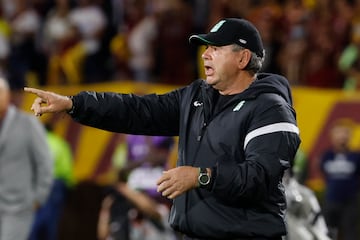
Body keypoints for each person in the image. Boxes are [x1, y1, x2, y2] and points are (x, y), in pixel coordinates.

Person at [24, 18, 301, 239]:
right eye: (206, 47)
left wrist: (202, 176)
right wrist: (75, 104)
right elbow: (135, 110)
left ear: (242, 59)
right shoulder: (196, 97)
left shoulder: (270, 108)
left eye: (216, 48)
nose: (205, 55)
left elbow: (260, 176)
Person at [0, 77, 53, 240]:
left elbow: (44, 161)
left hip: (18, 206)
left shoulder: (27, 123)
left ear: (7, 95)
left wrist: (38, 197)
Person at [319, 118, 360, 240]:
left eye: (345, 133)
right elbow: (323, 173)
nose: (342, 137)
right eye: (338, 133)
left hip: (350, 202)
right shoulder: (327, 155)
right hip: (331, 200)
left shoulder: (356, 156)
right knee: (328, 232)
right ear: (332, 135)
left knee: (350, 231)